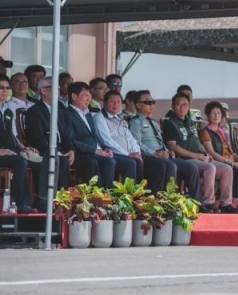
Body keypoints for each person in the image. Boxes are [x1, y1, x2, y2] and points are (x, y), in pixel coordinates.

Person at [162, 93, 235, 213]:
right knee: (209, 168)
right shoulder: (170, 123)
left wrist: (205, 154)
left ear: (189, 106)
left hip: (199, 157)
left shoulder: (190, 122)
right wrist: (196, 156)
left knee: (227, 169)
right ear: (173, 106)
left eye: (185, 105)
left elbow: (196, 142)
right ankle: (208, 203)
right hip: (184, 159)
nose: (182, 107)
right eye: (178, 104)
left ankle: (225, 204)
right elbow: (173, 147)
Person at [94, 91, 176, 193]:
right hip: (112, 153)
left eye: (118, 102)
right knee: (132, 163)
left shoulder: (120, 119)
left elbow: (131, 139)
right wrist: (128, 154)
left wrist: (137, 152)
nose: (116, 105)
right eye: (112, 102)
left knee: (160, 164)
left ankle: (150, 196)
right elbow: (106, 141)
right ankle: (129, 195)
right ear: (104, 103)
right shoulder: (99, 118)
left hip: (129, 154)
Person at [128, 91, 200, 202]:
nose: (152, 105)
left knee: (191, 167)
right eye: (148, 102)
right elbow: (136, 144)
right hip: (148, 157)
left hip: (163, 155)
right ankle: (164, 202)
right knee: (169, 166)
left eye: (153, 102)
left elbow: (160, 141)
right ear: (138, 105)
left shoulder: (154, 123)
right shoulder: (135, 122)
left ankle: (196, 202)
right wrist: (155, 153)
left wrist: (168, 151)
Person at [61, 82, 136, 188]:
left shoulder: (88, 114)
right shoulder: (66, 114)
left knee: (130, 163)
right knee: (106, 162)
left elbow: (95, 137)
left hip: (97, 152)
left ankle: (127, 196)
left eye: (89, 95)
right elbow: (71, 140)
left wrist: (105, 149)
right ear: (74, 96)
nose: (89, 99)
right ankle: (103, 196)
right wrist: (96, 151)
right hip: (81, 153)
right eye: (85, 95)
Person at [24, 77, 72, 211]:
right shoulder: (34, 111)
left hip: (62, 148)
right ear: (44, 91)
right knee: (59, 160)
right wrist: (55, 151)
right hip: (45, 150)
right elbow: (36, 138)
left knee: (85, 160)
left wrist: (71, 149)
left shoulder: (60, 108)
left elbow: (67, 133)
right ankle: (55, 204)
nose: (58, 91)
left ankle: (74, 202)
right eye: (54, 88)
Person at [200, 101, 238, 212]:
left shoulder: (222, 132)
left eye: (219, 113)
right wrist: (229, 162)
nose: (216, 116)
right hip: (214, 161)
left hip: (227, 161)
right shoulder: (205, 132)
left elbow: (229, 150)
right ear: (207, 115)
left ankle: (231, 203)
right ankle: (220, 203)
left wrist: (237, 157)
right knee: (233, 171)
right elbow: (212, 153)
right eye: (213, 113)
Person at [0, 76, 34, 212]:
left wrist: (24, 147)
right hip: (2, 153)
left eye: (7, 88)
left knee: (33, 158)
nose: (4, 91)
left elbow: (13, 134)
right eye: (1, 88)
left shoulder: (8, 111)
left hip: (10, 151)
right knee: (20, 162)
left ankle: (40, 202)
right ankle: (21, 203)